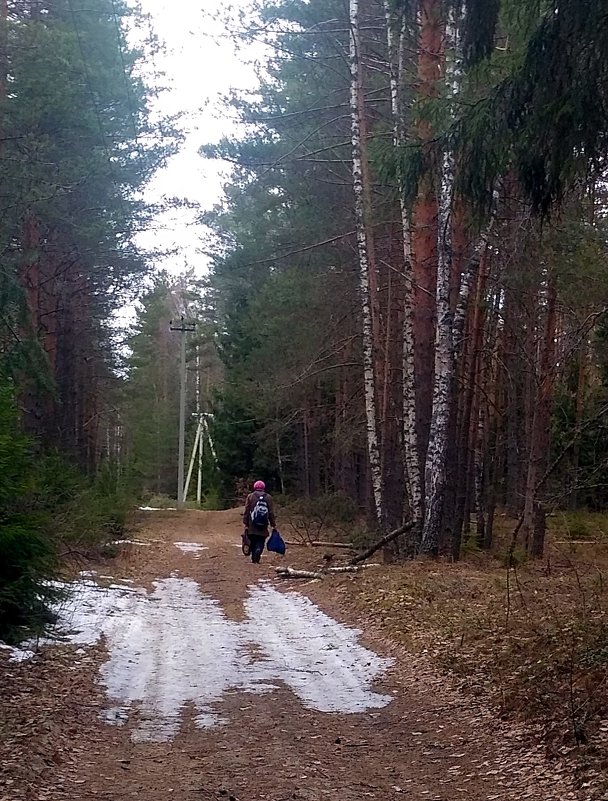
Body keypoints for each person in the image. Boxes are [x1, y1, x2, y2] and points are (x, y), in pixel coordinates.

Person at [243, 480, 276, 564]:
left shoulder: (250, 496)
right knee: (261, 540)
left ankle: (254, 557)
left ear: (255, 487)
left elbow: (247, 510)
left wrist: (245, 523)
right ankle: (258, 552)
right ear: (263, 487)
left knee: (253, 540)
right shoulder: (268, 497)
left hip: (252, 523)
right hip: (263, 524)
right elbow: (271, 512)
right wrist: (273, 524)